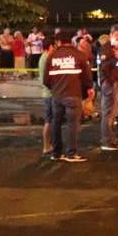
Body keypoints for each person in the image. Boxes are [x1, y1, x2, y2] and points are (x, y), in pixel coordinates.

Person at [43, 29, 94, 162]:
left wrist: (55, 89)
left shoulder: (52, 56)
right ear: (70, 41)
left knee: (56, 123)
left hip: (56, 95)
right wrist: (88, 89)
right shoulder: (79, 55)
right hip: (73, 95)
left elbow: (46, 80)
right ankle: (71, 153)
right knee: (72, 124)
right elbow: (87, 77)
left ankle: (56, 153)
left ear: (58, 42)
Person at [98, 25, 118, 151]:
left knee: (113, 114)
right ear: (111, 34)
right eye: (117, 35)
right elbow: (104, 67)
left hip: (117, 83)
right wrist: (116, 58)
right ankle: (106, 142)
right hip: (110, 85)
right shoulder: (106, 48)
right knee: (108, 114)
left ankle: (112, 140)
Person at [38, 38, 57, 157]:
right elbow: (48, 78)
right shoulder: (46, 58)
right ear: (50, 46)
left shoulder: (44, 57)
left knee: (50, 120)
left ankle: (49, 145)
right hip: (49, 93)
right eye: (54, 46)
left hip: (47, 93)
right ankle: (46, 146)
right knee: (49, 121)